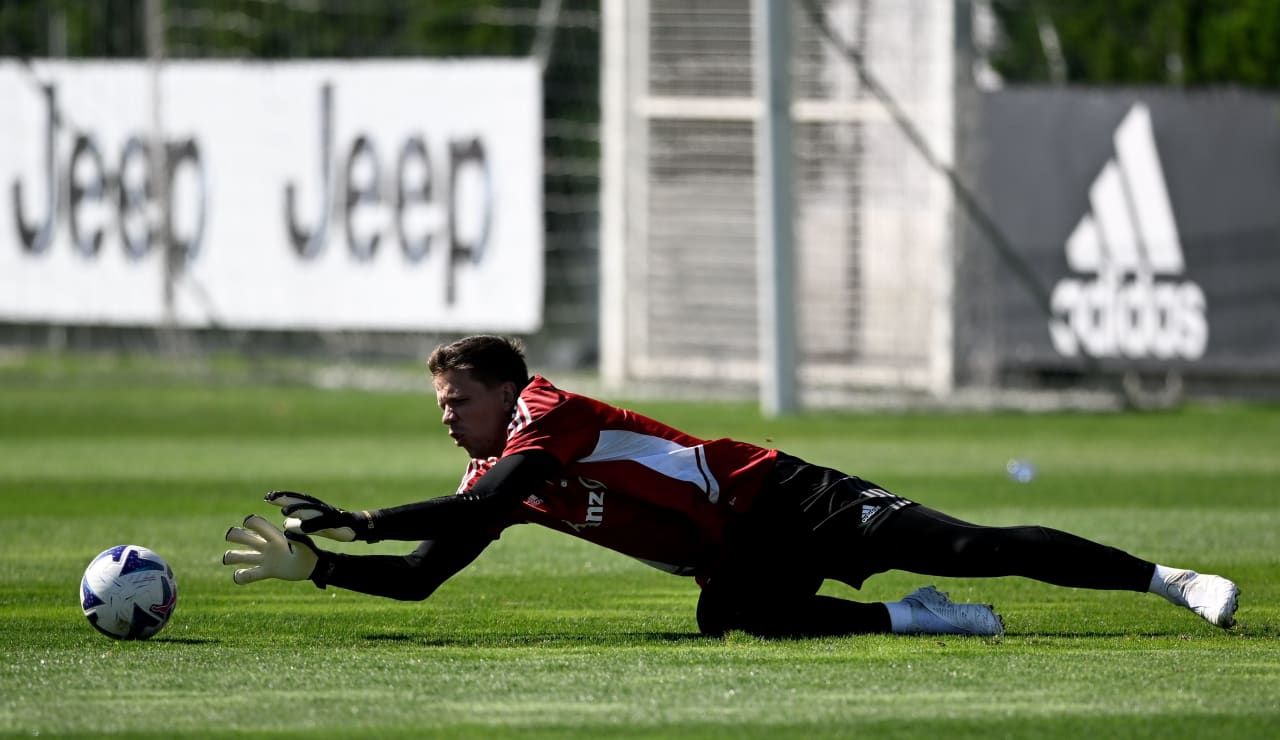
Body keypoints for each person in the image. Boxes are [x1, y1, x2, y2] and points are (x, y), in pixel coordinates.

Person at [223, 335, 1240, 637]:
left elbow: (485, 501)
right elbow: (418, 579)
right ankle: (917, 619)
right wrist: (320, 566)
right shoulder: (498, 469)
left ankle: (1167, 578)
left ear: (502, 385)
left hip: (779, 493)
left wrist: (357, 516)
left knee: (975, 542)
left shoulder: (547, 412)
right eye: (439, 405)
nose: (447, 416)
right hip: (733, 548)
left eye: (457, 400)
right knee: (741, 618)